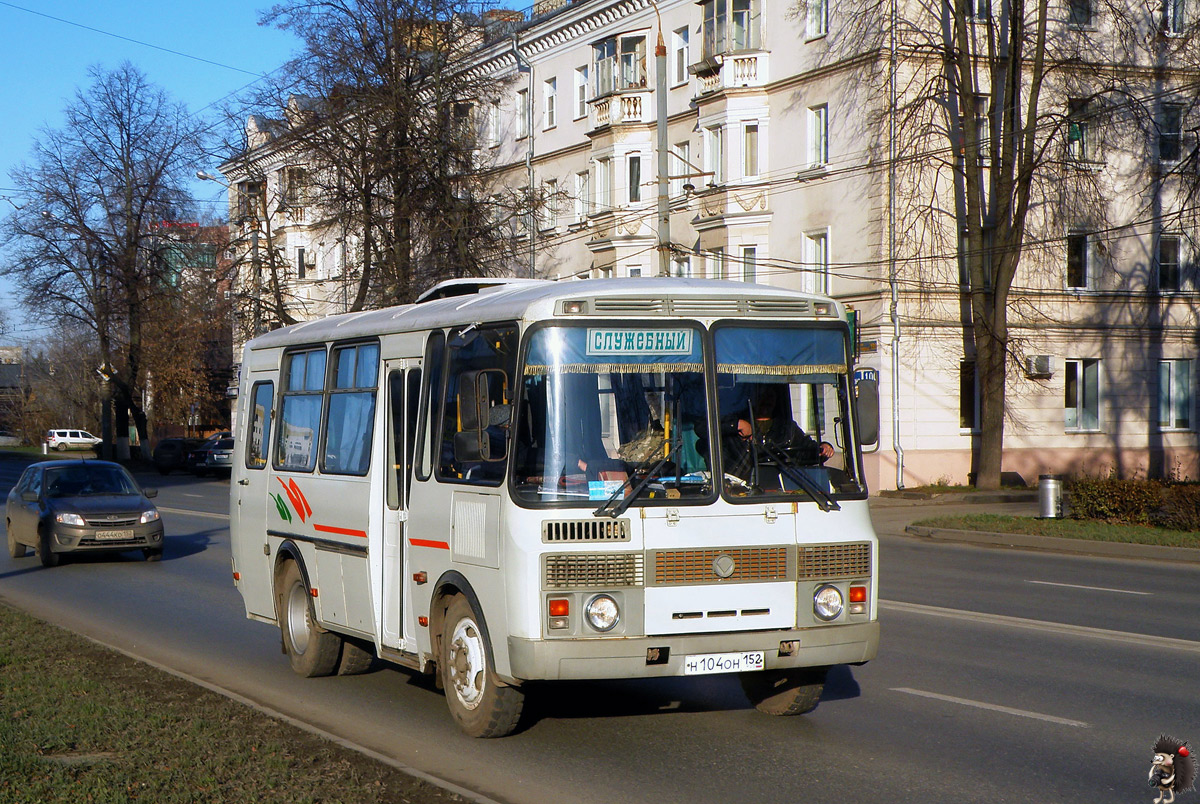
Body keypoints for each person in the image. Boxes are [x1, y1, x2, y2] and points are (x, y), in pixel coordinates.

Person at [721, 384, 833, 485]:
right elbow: (707, 430)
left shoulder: (787, 429)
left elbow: (808, 452)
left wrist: (823, 448)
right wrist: (736, 425)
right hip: (738, 494)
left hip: (777, 493)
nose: (766, 400)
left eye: (770, 396)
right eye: (761, 396)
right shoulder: (734, 428)